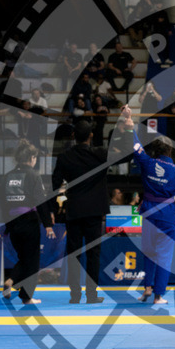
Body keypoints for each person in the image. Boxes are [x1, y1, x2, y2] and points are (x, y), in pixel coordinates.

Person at [121, 107, 175, 305]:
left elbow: (136, 148)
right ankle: (158, 295)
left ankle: (147, 288)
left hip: (149, 214)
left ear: (156, 151)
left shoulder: (147, 162)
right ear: (170, 151)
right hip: (167, 217)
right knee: (164, 256)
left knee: (149, 252)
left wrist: (130, 126)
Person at [51, 122, 112, 304]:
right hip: (94, 211)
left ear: (73, 136)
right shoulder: (100, 154)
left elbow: (54, 185)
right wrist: (127, 128)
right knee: (93, 255)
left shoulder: (65, 157)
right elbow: (125, 155)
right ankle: (92, 296)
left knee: (74, 254)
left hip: (75, 210)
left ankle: (75, 295)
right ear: (91, 135)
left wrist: (56, 206)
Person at [2, 140, 55, 304]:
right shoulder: (33, 175)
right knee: (32, 261)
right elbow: (40, 201)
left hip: (13, 223)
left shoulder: (8, 175)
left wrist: (8, 226)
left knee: (24, 258)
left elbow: (3, 202)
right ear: (32, 157)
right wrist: (47, 225)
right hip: (28, 223)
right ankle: (26, 297)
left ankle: (10, 281)